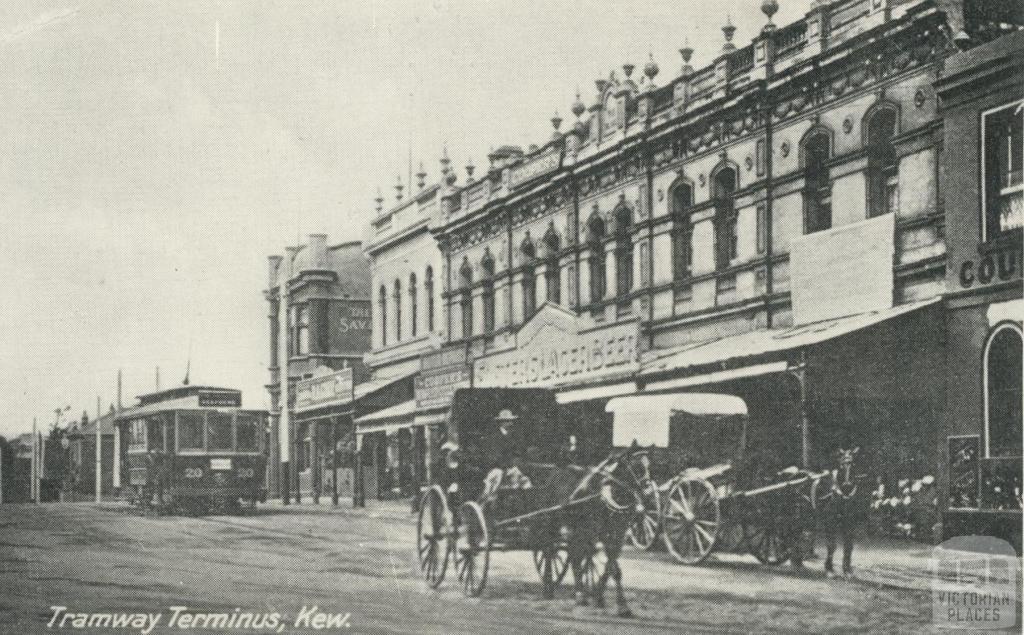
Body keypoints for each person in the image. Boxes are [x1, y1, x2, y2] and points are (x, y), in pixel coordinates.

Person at [480, 409, 532, 500]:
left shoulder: (512, 435)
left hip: (511, 467)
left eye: (511, 421)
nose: (511, 423)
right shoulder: (493, 437)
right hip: (497, 468)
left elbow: (517, 451)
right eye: (508, 421)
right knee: (496, 479)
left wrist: (515, 463)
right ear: (502, 422)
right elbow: (492, 456)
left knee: (525, 481)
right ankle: (489, 499)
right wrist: (506, 466)